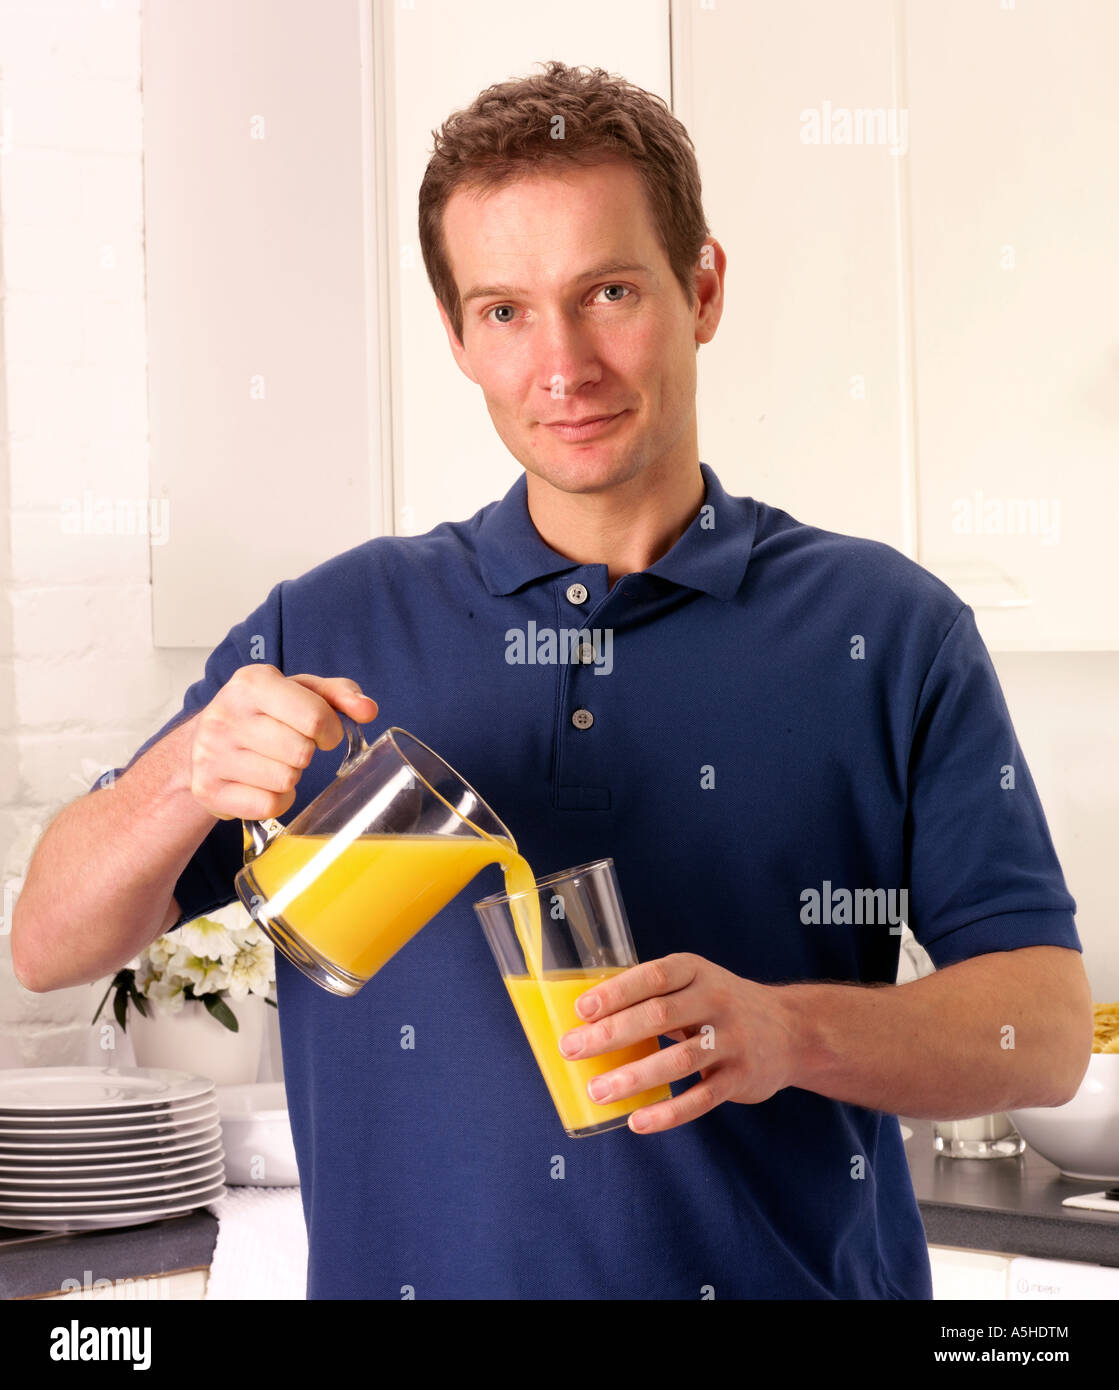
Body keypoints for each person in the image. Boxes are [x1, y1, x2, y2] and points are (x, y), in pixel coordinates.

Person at [12, 61, 1091, 1300]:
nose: (561, 364)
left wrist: (787, 1032)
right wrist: (184, 778)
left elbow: (1047, 1029)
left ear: (704, 288)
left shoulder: (888, 630)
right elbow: (46, 944)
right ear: (458, 335)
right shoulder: (330, 620)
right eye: (505, 311)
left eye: (609, 292)